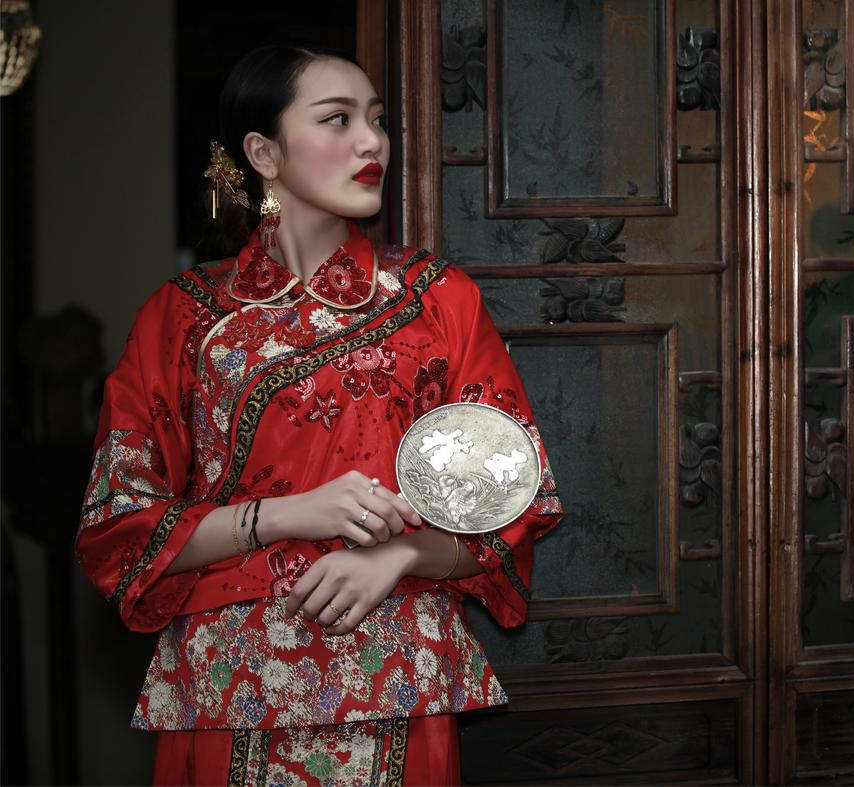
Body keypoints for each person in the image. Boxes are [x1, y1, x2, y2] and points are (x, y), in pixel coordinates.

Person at [75, 44, 562, 786]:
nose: (372, 142)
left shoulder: (435, 297)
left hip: (399, 661)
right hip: (229, 675)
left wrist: (400, 556)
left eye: (377, 120)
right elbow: (119, 522)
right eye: (338, 119)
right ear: (264, 153)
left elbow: (514, 496)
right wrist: (286, 514)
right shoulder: (183, 317)